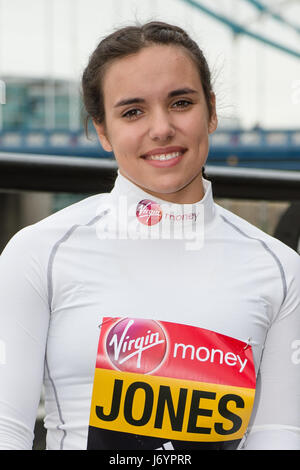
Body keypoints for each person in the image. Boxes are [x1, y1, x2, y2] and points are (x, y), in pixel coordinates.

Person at [0, 21, 299, 451]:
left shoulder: (282, 269)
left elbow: (280, 436)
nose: (161, 128)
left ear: (212, 111)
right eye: (133, 111)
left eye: (180, 102)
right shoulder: (37, 254)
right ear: (102, 130)